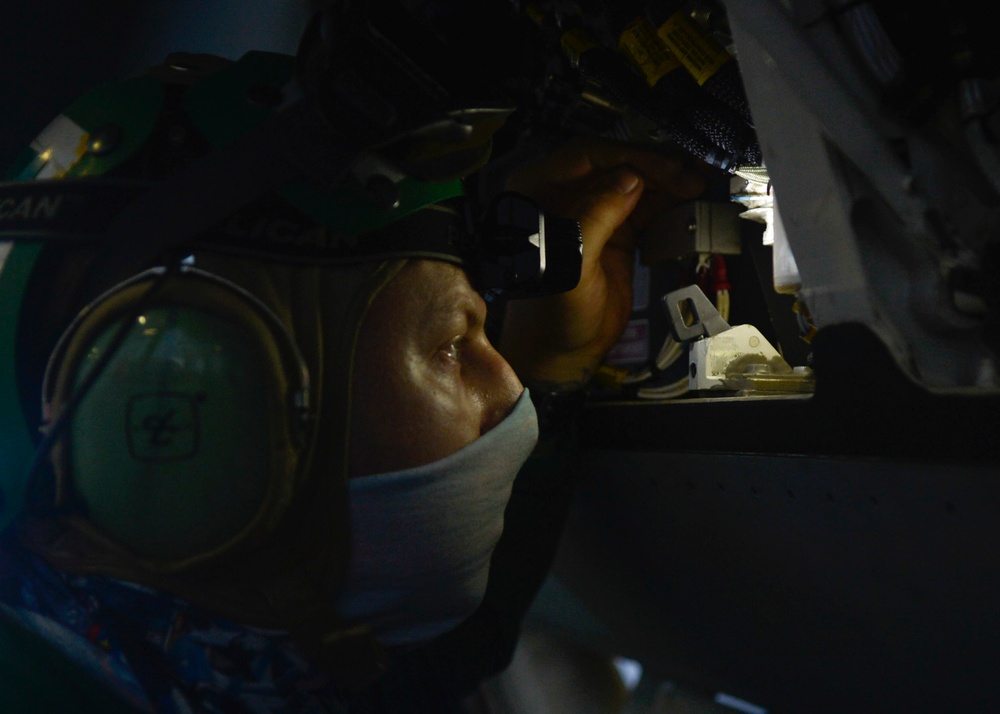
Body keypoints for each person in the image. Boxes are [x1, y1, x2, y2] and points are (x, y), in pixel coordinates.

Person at [0, 25, 706, 714]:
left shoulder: (238, 670)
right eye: (454, 349)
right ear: (202, 430)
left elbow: (432, 666)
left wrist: (555, 362)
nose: (511, 387)